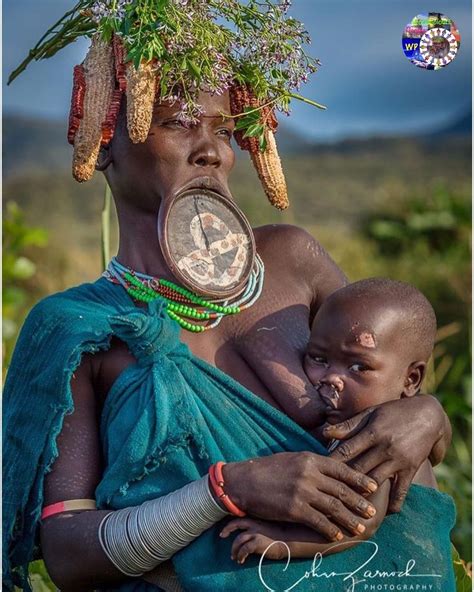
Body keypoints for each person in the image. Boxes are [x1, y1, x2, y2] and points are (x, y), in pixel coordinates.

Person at [3, 4, 452, 592]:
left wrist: (429, 415)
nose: (211, 150)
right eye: (178, 123)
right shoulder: (78, 327)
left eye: (223, 128)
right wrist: (224, 490)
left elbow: (401, 381)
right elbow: (67, 554)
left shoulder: (292, 260)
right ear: (100, 138)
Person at [219, 278, 455, 580]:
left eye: (358, 368)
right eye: (319, 359)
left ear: (410, 380)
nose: (332, 378)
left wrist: (281, 542)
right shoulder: (351, 421)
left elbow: (360, 523)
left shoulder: (381, 435)